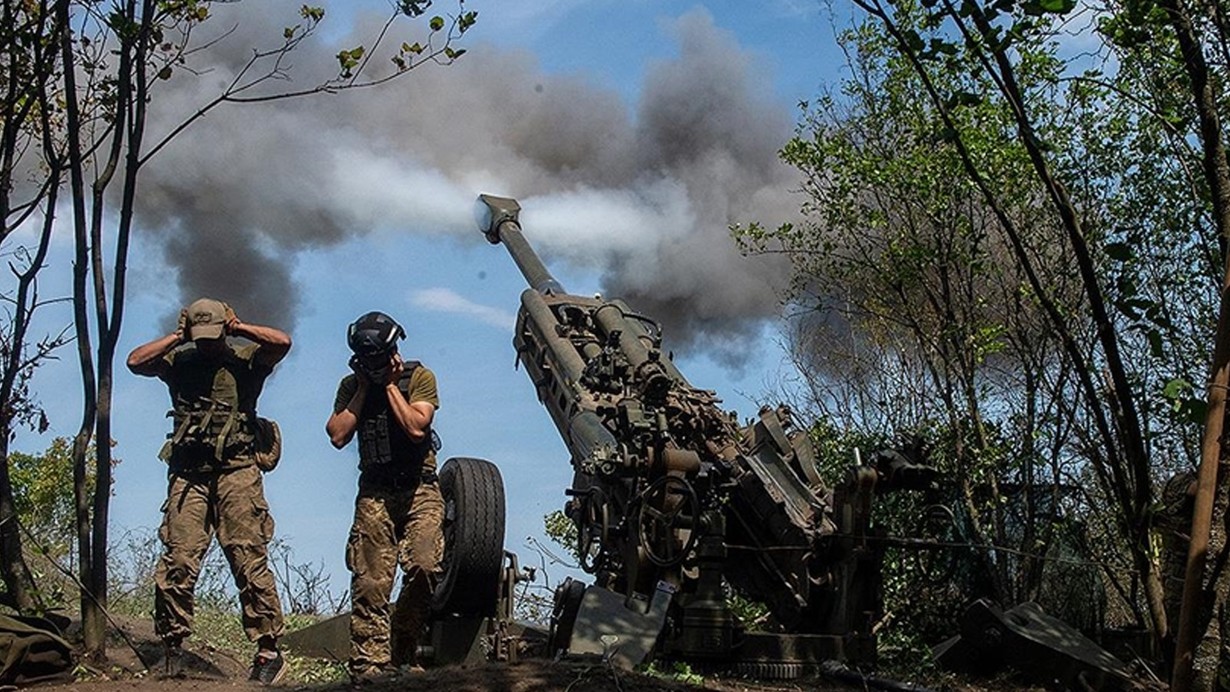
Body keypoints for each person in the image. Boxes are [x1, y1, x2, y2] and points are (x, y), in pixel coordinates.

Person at [126, 297, 290, 685]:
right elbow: (135, 362)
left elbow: (282, 343)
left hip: (237, 472)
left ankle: (269, 652)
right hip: (188, 475)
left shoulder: (246, 359)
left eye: (212, 336)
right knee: (178, 561)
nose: (206, 344)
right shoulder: (179, 362)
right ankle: (173, 648)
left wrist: (240, 327)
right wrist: (177, 337)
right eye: (200, 337)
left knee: (248, 560)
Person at [325, 311, 443, 680]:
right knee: (371, 581)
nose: (374, 365)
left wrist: (391, 386)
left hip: (419, 487)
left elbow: (415, 427)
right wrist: (363, 388)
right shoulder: (350, 386)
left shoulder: (418, 378)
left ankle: (402, 648)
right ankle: (369, 665)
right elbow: (337, 434)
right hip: (375, 491)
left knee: (425, 565)